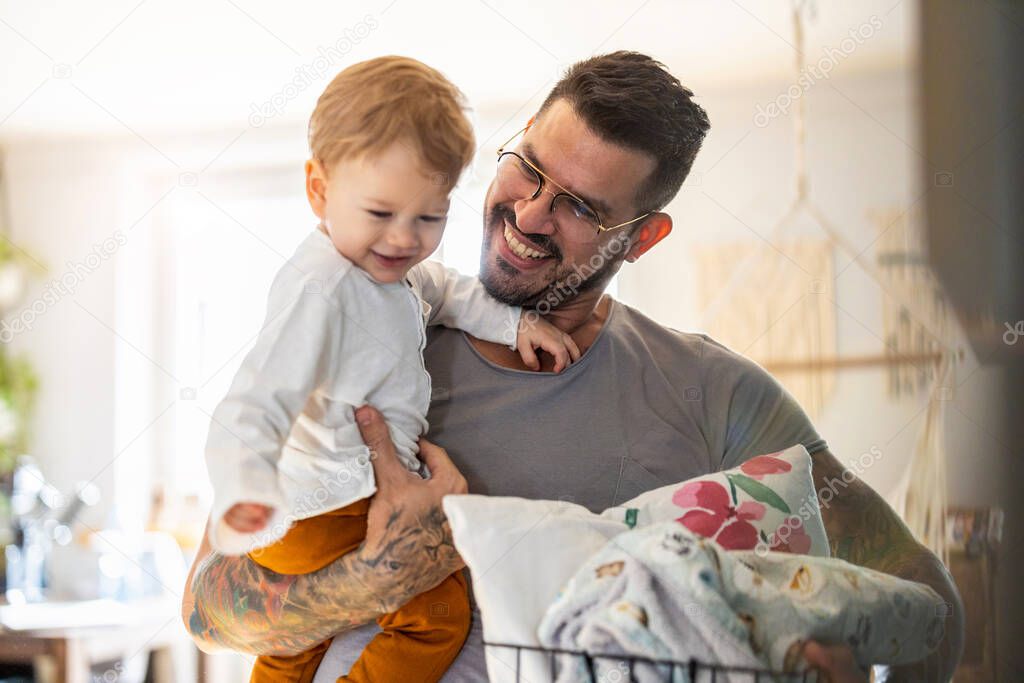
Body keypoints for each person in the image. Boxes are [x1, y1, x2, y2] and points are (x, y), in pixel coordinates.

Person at [183, 51, 964, 682]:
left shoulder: (714, 394)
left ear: (643, 238)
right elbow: (206, 609)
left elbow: (925, 598)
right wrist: (378, 578)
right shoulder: (376, 320)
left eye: (581, 208)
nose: (528, 215)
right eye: (528, 166)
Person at [202, 55, 578, 683]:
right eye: (380, 214)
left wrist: (517, 325)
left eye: (429, 217)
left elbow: (450, 291)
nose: (404, 238)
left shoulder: (393, 273)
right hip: (324, 504)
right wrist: (246, 488)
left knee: (296, 646)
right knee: (436, 614)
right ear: (319, 189)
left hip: (342, 499)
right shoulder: (319, 286)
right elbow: (257, 401)